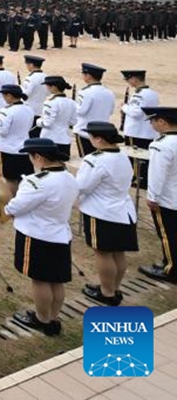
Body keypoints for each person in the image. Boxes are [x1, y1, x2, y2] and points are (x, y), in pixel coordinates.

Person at [6, 138, 78, 336]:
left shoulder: (36, 182)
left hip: (37, 235)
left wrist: (5, 208)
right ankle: (53, 318)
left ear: (38, 157)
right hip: (60, 234)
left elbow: (16, 207)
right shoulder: (69, 178)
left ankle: (42, 318)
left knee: (40, 280)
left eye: (31, 157)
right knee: (56, 281)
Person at [76, 122, 138, 305]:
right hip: (123, 210)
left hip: (102, 212)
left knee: (103, 253)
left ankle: (107, 291)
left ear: (99, 139)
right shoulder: (122, 156)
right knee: (118, 253)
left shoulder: (95, 160)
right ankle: (114, 288)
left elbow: (82, 186)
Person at [140, 106, 177, 283]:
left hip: (168, 199)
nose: (152, 124)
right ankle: (167, 261)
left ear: (162, 121)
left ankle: (171, 269)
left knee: (168, 234)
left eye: (153, 121)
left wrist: (152, 197)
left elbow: (157, 174)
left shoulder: (161, 145)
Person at [0, 84, 35, 195]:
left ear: (10, 96)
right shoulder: (29, 109)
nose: (4, 98)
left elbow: (2, 131)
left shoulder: (6, 111)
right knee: (21, 178)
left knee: (8, 178)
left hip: (6, 149)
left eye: (4, 95)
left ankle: (11, 201)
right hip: (22, 147)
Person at [120, 70, 159, 185]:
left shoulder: (139, 95)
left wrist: (125, 107)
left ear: (134, 79)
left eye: (128, 79)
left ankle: (138, 179)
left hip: (136, 131)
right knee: (144, 157)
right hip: (147, 131)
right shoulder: (152, 93)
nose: (128, 82)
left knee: (135, 157)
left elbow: (136, 112)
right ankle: (143, 179)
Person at [74, 62, 114, 158]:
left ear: (88, 76)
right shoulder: (109, 92)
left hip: (85, 131)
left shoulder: (85, 92)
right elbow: (111, 111)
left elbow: (81, 111)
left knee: (87, 159)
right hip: (102, 131)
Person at [36, 76, 77, 160]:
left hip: (49, 140)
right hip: (65, 140)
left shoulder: (50, 103)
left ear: (54, 87)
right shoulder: (72, 103)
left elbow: (47, 123)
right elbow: (73, 122)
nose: (47, 88)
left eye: (48, 86)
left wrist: (38, 121)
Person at [22, 55, 48, 136]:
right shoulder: (46, 77)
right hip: (42, 110)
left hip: (30, 110)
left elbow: (25, 94)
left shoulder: (30, 78)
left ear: (31, 65)